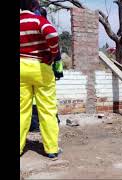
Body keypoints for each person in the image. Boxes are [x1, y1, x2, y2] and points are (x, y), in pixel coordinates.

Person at [20, 0, 61, 159]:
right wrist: (52, 54)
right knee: (47, 109)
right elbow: (52, 34)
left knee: (22, 110)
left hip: (21, 68)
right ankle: (51, 149)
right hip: (40, 67)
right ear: (34, 6)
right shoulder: (38, 20)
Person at [29, 7, 62, 133]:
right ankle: (47, 125)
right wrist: (58, 72)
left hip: (31, 68)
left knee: (31, 100)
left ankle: (35, 125)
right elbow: (57, 54)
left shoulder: (33, 29)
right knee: (47, 101)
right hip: (46, 69)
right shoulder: (47, 29)